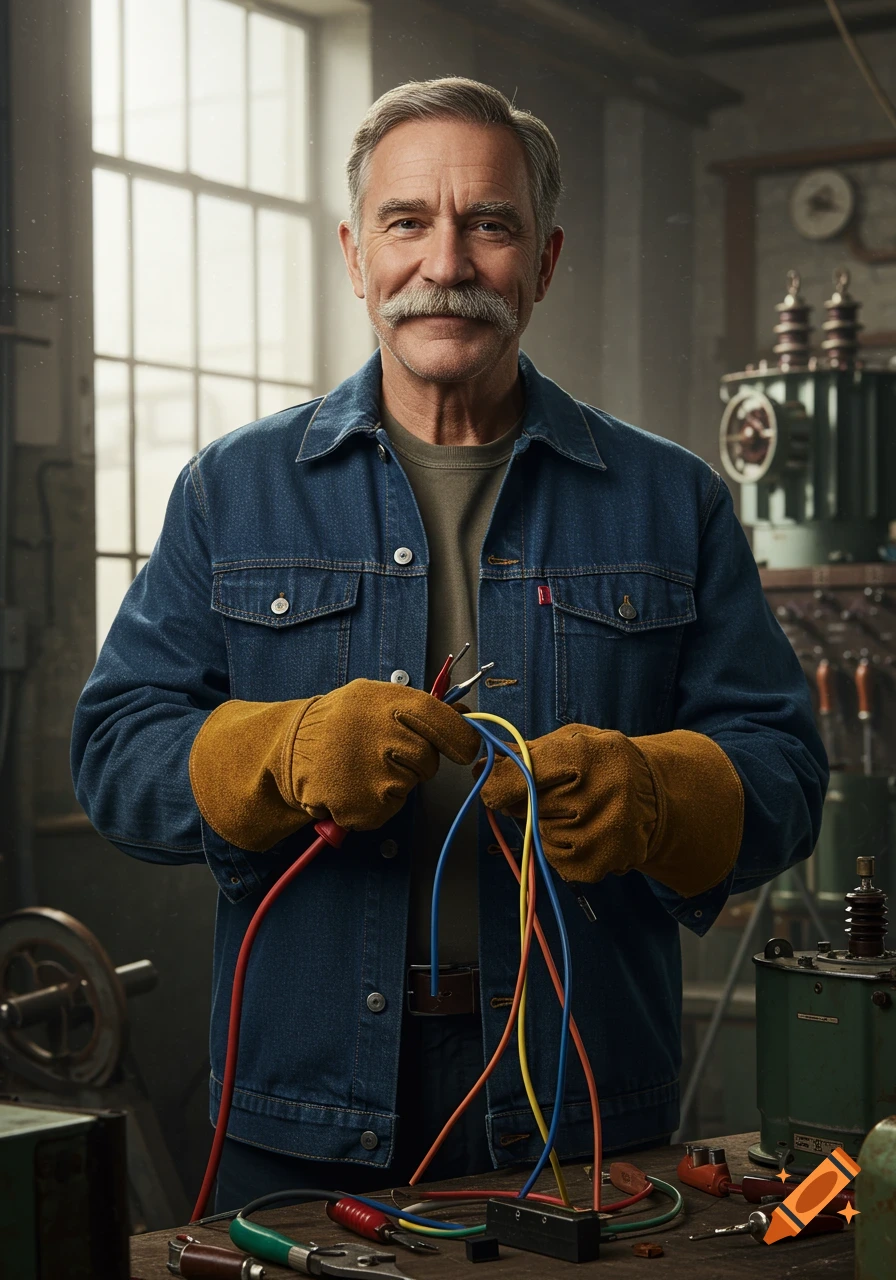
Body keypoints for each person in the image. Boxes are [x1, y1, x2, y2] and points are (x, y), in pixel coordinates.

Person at [71, 78, 827, 1211]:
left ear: (544, 259)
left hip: (579, 1113)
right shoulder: (230, 491)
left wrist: (658, 790)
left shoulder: (674, 501)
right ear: (354, 252)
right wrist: (279, 752)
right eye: (407, 221)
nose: (447, 262)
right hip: (303, 1106)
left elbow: (786, 772)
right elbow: (114, 750)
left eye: (489, 223)